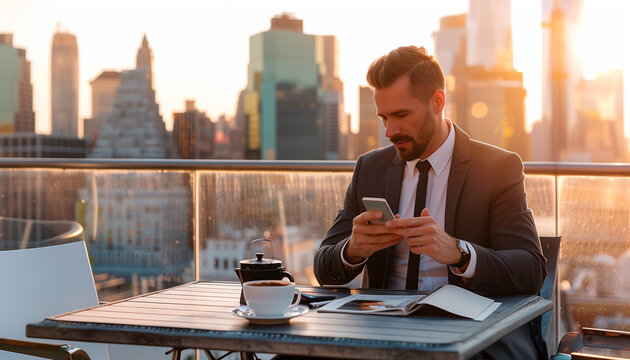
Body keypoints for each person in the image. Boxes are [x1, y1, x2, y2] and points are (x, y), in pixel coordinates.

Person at [314, 46, 547, 359]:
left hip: (468, 337)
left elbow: (531, 269)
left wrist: (458, 253)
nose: (390, 131)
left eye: (401, 115)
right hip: (382, 334)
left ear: (438, 102)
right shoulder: (370, 168)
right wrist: (353, 249)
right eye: (384, 117)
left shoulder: (496, 167)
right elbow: (324, 267)